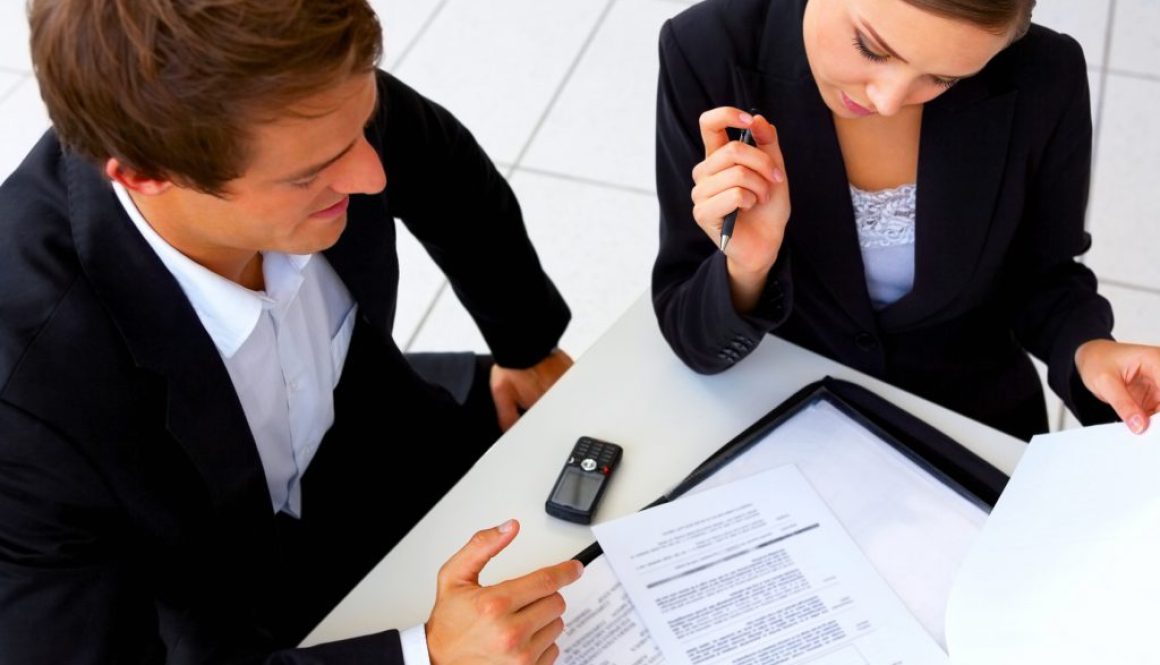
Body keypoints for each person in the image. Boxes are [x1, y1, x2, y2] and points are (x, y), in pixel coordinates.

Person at [0, 0, 582, 662]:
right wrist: (426, 656)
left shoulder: (309, 108)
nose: (370, 175)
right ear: (144, 175)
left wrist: (526, 343)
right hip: (211, 603)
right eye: (310, 175)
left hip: (372, 436)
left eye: (361, 127)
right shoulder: (24, 401)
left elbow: (441, 167)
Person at [651, 0, 1160, 441]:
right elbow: (691, 335)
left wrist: (1088, 349)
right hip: (787, 417)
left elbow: (1043, 276)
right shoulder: (706, 50)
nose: (887, 100)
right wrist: (748, 268)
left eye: (944, 78)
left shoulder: (1045, 76)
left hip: (973, 423)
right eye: (871, 48)